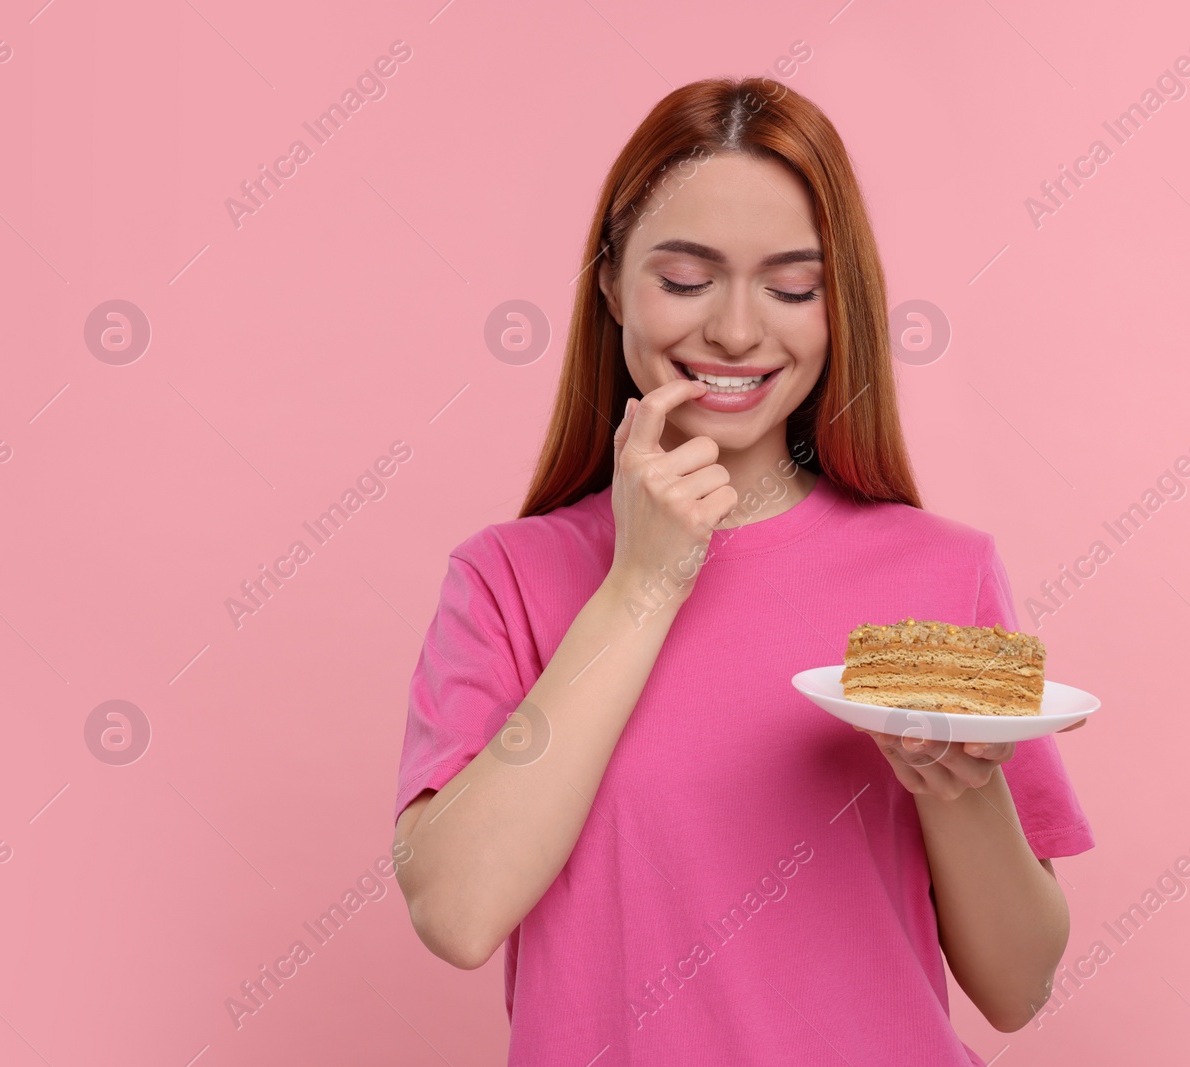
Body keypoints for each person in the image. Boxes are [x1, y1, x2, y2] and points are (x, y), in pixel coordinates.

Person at [392, 75, 1094, 1065]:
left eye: (791, 286)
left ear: (837, 300)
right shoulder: (505, 579)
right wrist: (640, 583)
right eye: (683, 280)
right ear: (608, 284)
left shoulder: (944, 572)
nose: (732, 329)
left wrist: (957, 788)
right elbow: (457, 911)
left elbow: (1018, 987)